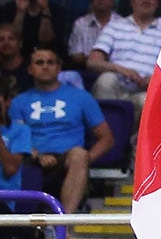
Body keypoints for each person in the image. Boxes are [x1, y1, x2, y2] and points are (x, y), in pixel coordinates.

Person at [10, 45, 114, 212]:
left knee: (79, 155)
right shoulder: (19, 102)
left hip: (69, 158)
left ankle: (64, 223)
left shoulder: (81, 97)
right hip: (33, 157)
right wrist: (35, 154)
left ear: (59, 68)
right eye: (39, 62)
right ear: (30, 69)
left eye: (51, 62)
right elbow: (16, 136)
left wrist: (87, 159)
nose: (45, 66)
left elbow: (106, 138)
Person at [86, 0, 161, 103]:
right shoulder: (115, 26)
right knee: (106, 80)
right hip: (116, 86)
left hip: (145, 90)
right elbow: (93, 61)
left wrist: (154, 80)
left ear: (157, 3)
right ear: (132, 2)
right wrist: (123, 71)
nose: (146, 0)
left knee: (146, 100)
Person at [67, 0, 118, 71]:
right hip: (86, 71)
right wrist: (98, 62)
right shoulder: (80, 23)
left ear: (112, 0)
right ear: (91, 1)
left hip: (115, 73)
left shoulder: (122, 24)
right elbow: (76, 55)